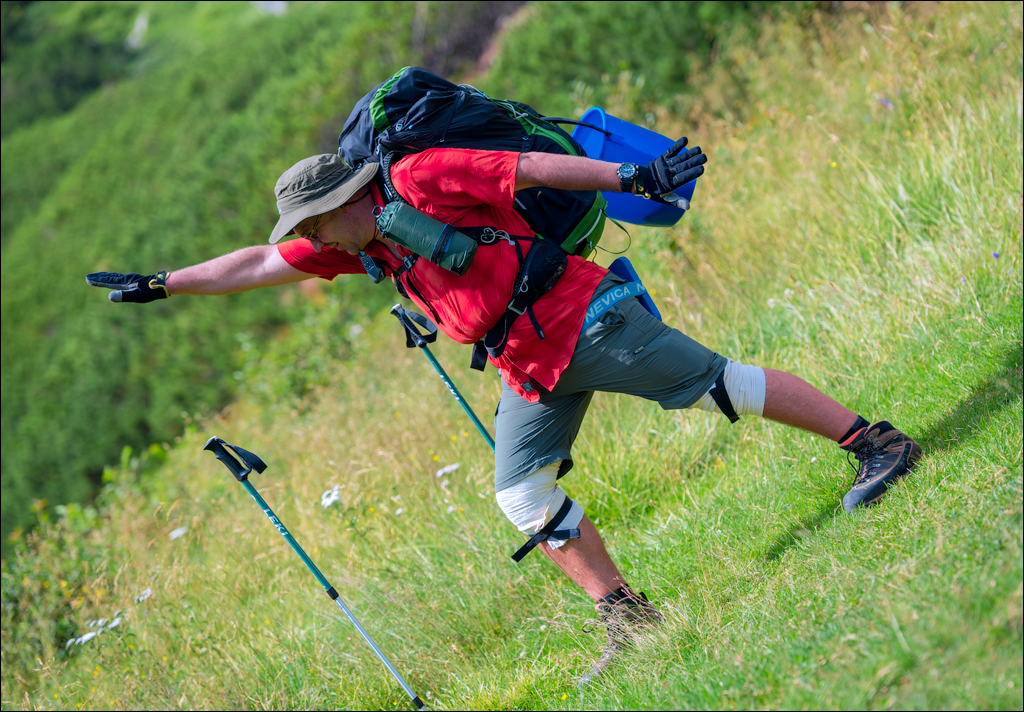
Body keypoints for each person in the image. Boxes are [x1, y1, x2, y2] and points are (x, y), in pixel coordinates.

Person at [87, 140, 921, 684]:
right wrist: (166, 282)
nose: (311, 237)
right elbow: (259, 261)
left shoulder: (420, 179)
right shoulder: (360, 241)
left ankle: (876, 444)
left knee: (719, 386)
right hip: (527, 362)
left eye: (315, 218)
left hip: (586, 319)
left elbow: (526, 170)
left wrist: (630, 177)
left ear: (347, 196)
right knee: (521, 494)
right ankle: (628, 618)